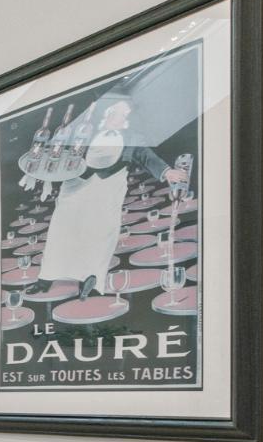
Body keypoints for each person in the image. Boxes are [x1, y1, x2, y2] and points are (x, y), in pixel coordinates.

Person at [32, 91, 189, 300]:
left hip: (106, 191)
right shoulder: (83, 131)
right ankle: (46, 278)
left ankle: (89, 279)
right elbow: (57, 154)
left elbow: (146, 156)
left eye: (127, 115)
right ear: (106, 113)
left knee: (98, 235)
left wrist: (167, 171)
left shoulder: (131, 137)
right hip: (75, 189)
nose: (125, 120)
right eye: (121, 114)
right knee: (61, 233)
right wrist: (41, 176)